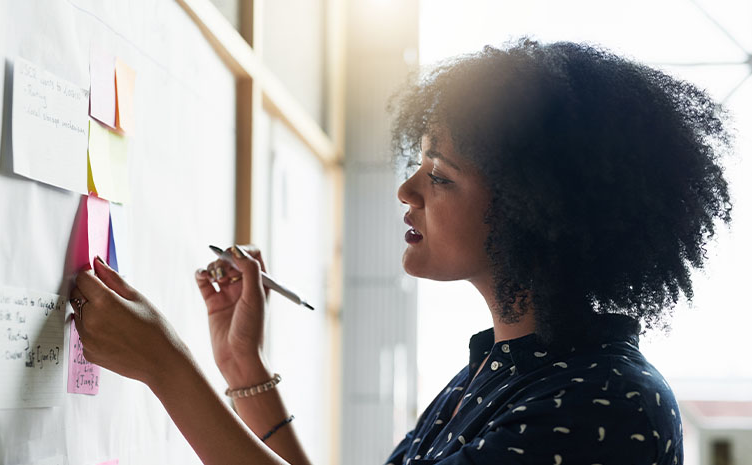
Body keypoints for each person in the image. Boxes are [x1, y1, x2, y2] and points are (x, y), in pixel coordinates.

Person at [69, 38, 733, 464]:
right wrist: (242, 365)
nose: (406, 189)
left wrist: (167, 367)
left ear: (537, 211)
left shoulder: (602, 403)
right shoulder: (505, 369)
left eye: (439, 175)